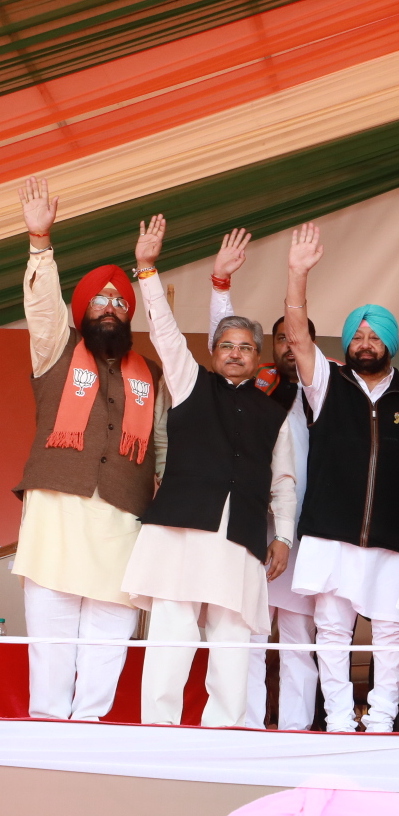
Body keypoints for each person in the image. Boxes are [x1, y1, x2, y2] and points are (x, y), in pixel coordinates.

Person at [122, 215, 296, 728]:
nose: (237, 354)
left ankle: (226, 736)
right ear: (213, 354)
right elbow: (165, 331)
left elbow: (283, 479)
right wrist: (147, 271)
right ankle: (159, 734)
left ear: (257, 356)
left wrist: (282, 535)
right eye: (227, 346)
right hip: (181, 528)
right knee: (172, 633)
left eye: (246, 347)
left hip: (237, 534)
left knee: (231, 639)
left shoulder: (275, 409)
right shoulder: (188, 381)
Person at [12, 176, 167, 721]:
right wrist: (39, 242)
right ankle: (51, 727)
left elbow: (162, 449)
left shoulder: (148, 372)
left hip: (123, 518)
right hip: (59, 510)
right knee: (52, 633)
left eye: (119, 302)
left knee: (109, 633)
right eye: (99, 300)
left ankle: (90, 729)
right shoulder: (57, 347)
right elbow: (43, 308)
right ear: (83, 310)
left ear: (129, 314)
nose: (109, 307)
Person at [284, 223, 399, 733]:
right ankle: (342, 720)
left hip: (394, 534)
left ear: (390, 343)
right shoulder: (328, 383)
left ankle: (385, 720)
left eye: (375, 336)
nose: (365, 343)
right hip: (331, 531)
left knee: (392, 633)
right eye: (358, 335)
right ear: (347, 343)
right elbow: (298, 334)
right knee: (331, 632)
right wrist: (297, 275)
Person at [207, 229, 318, 732]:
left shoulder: (327, 392)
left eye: (298, 338)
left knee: (299, 637)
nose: (290, 346)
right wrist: (222, 281)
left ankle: (295, 731)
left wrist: (289, 533)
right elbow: (222, 336)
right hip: (250, 530)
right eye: (282, 339)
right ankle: (245, 725)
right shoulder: (255, 387)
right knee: (246, 632)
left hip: (304, 534)